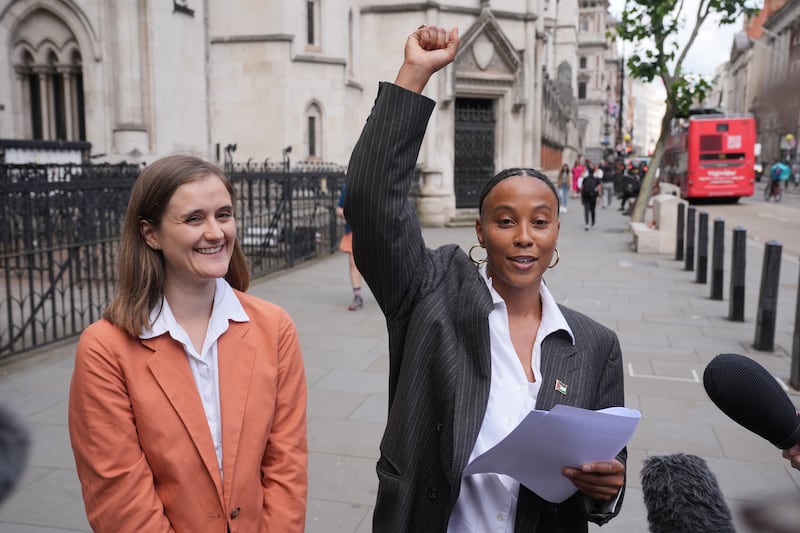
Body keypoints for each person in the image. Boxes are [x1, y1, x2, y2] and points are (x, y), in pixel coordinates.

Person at [345, 25, 626, 533]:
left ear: (556, 232)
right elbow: (371, 204)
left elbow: (606, 466)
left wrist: (608, 488)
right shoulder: (431, 295)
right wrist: (416, 74)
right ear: (480, 229)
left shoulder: (595, 345)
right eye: (504, 221)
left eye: (539, 222)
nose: (523, 236)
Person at [68, 155, 308, 532]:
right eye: (194, 218)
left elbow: (287, 465)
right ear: (151, 234)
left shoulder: (273, 328)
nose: (215, 232)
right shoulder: (105, 349)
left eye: (224, 214)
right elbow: (119, 497)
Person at [336, 185, 364, 310]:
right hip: (353, 230)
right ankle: (357, 296)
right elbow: (339, 209)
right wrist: (350, 215)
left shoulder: (375, 184)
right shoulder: (348, 186)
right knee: (353, 263)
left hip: (374, 231)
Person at [580, 165, 602, 230]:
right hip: (593, 196)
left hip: (586, 196)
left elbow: (582, 188)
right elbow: (599, 188)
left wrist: (581, 197)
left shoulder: (585, 179)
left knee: (586, 210)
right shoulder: (596, 179)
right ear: (594, 172)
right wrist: (599, 197)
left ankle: (587, 224)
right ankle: (592, 221)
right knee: (592, 210)